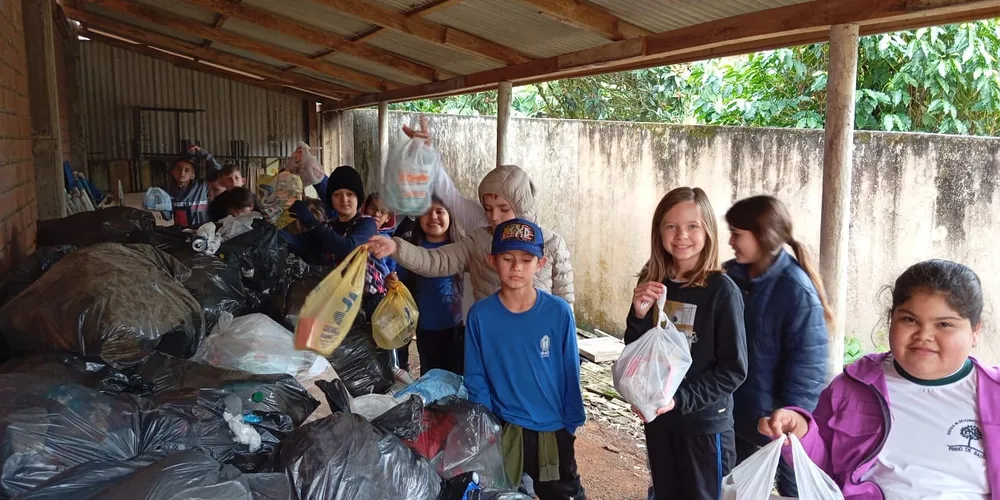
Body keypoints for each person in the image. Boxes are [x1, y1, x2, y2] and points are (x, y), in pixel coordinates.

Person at [759, 259, 1000, 499]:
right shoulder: (850, 389)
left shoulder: (994, 394)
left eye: (945, 324)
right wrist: (802, 434)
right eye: (910, 320)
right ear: (891, 319)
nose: (924, 335)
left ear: (975, 331)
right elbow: (825, 475)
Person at [625, 187, 747, 500]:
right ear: (659, 231)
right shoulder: (652, 280)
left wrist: (680, 400)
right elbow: (638, 352)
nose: (682, 235)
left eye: (692, 226)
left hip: (703, 427)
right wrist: (639, 316)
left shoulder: (722, 292)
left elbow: (733, 369)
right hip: (659, 421)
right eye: (671, 226)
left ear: (708, 230)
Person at [465, 218, 586, 500]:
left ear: (541, 264)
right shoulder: (480, 316)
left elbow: (570, 371)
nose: (517, 267)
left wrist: (570, 424)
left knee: (564, 493)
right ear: (492, 260)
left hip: (553, 430)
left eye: (526, 259)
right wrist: (489, 425)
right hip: (507, 428)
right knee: (503, 492)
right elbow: (475, 376)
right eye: (507, 258)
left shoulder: (558, 313)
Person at [723, 195, 831, 497]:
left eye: (737, 234)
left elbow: (808, 365)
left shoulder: (795, 289)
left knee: (792, 491)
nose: (730, 241)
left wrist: (791, 415)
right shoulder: (731, 276)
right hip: (740, 415)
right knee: (736, 489)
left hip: (781, 423)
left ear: (762, 236)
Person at [367, 164, 574, 307]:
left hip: (538, 346)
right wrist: (395, 248)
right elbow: (436, 260)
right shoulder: (478, 241)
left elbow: (565, 307)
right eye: (488, 208)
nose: (494, 216)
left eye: (503, 208)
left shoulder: (552, 244)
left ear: (522, 206)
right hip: (491, 342)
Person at [282, 165, 384, 315]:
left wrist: (311, 221)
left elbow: (348, 247)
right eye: (337, 194)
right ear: (331, 198)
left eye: (350, 194)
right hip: (339, 303)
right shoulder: (327, 226)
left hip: (368, 302)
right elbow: (300, 244)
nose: (344, 200)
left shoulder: (367, 224)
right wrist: (274, 233)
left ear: (358, 198)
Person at [396, 197, 466, 376]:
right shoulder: (411, 251)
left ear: (451, 216)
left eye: (439, 211)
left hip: (458, 329)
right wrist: (392, 281)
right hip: (426, 331)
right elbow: (400, 283)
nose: (433, 216)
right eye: (426, 212)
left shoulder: (462, 248)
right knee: (432, 379)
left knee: (459, 378)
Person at [168, 145, 222, 227]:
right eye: (178, 169)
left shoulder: (201, 187)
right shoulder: (167, 193)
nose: (182, 172)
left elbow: (217, 171)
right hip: (181, 234)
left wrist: (203, 153)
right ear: (172, 172)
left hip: (204, 232)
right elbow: (167, 216)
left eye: (187, 170)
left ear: (193, 175)